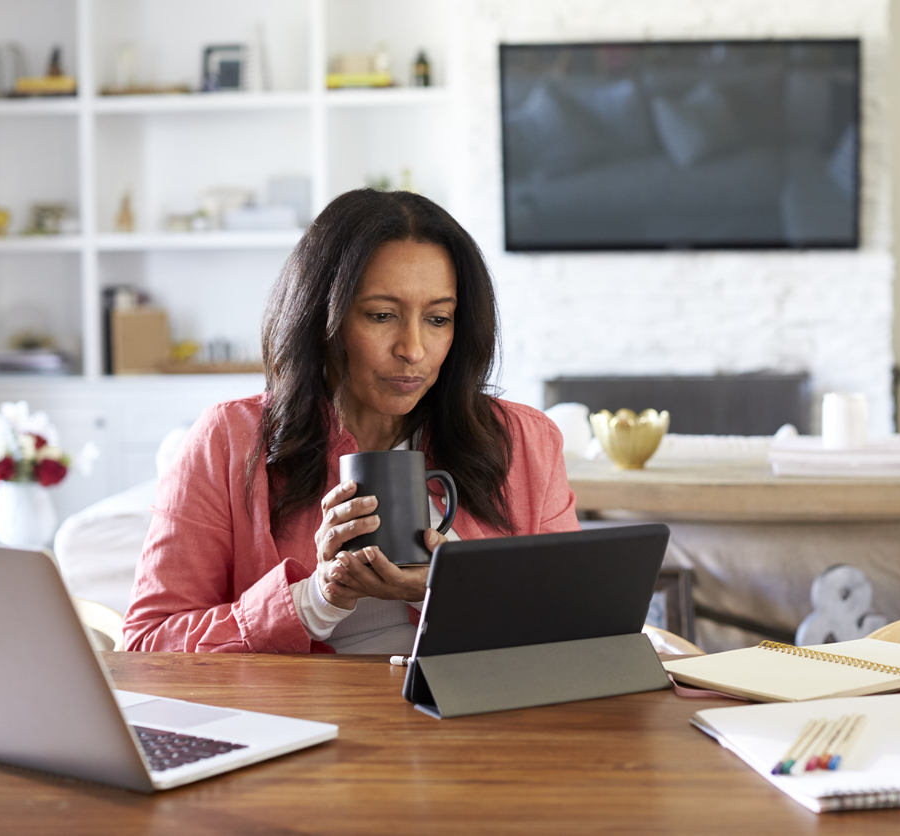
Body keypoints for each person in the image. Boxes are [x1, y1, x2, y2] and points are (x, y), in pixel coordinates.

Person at [123, 190, 580, 653]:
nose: (413, 349)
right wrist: (315, 599)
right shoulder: (230, 440)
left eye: (438, 319)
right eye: (381, 315)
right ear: (322, 319)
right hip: (302, 721)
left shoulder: (524, 442)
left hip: (468, 718)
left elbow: (581, 627)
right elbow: (146, 646)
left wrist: (457, 595)